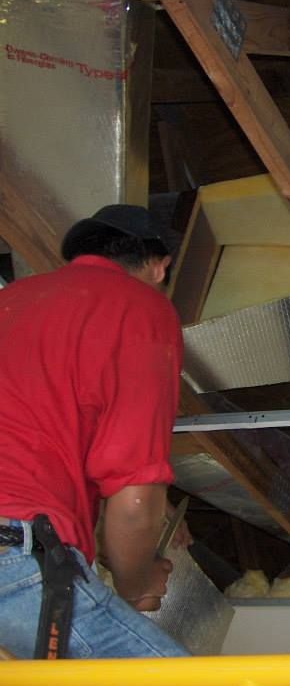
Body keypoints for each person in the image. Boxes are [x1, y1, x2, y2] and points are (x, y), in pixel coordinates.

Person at [0, 205, 189, 659]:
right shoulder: (139, 307)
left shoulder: (10, 302)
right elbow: (135, 493)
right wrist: (136, 583)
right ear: (160, 265)